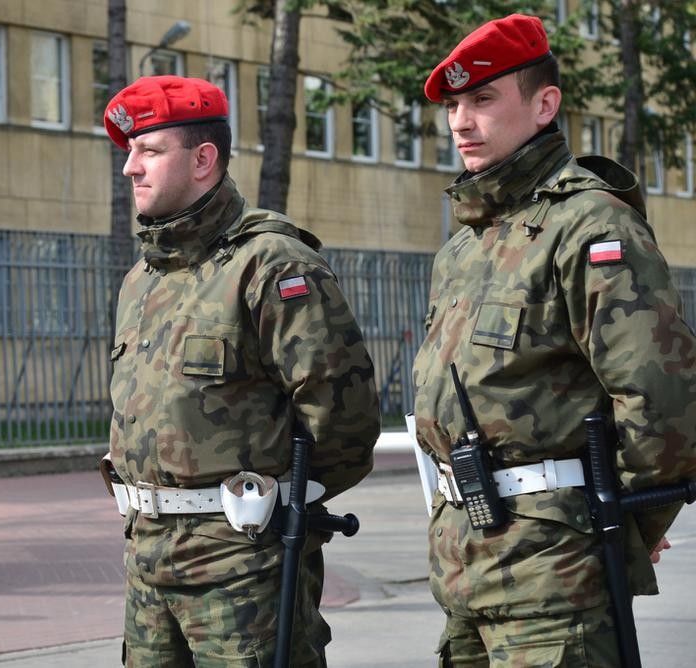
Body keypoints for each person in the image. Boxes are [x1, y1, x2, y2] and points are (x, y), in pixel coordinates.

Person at [412, 14, 696, 666]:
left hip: (556, 576)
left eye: (483, 99)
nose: (460, 122)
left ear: (544, 105)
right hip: (463, 567)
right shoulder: (464, 247)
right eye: (453, 106)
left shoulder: (590, 224)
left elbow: (662, 401)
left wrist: (626, 523)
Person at [100, 75, 380, 667]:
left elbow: (344, 422)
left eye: (149, 150)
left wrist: (270, 511)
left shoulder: (271, 264)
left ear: (203, 159)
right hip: (147, 567)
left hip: (244, 570)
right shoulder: (142, 280)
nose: (130, 167)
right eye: (129, 151)